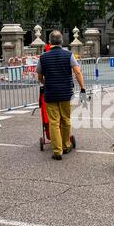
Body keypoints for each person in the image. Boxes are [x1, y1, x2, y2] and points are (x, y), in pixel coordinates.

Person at [37, 30, 87, 160]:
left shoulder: (43, 57)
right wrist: (82, 88)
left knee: (54, 122)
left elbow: (40, 77)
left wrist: (46, 82)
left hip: (50, 93)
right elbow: (77, 72)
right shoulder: (69, 55)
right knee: (66, 120)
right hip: (66, 93)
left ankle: (57, 151)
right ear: (62, 41)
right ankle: (66, 145)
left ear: (49, 42)